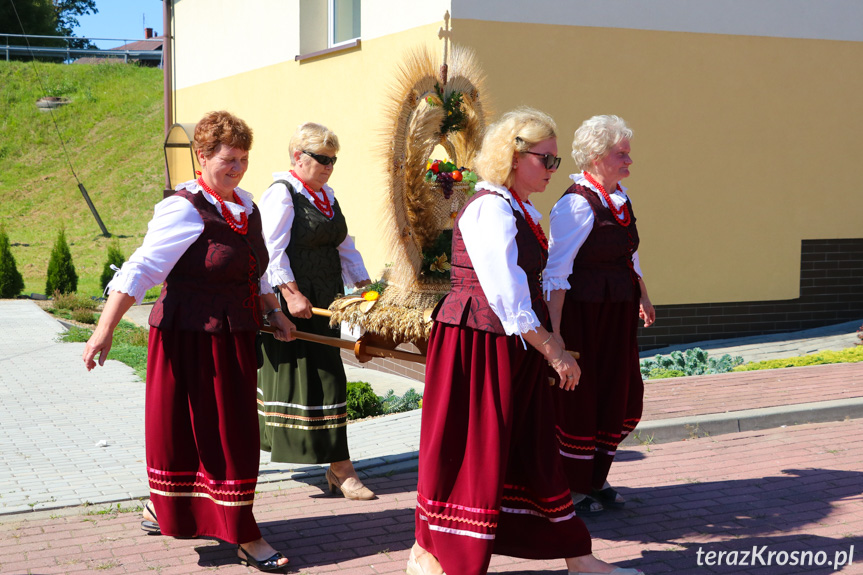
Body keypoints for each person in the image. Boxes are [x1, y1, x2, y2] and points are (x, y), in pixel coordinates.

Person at [409, 108, 642, 575]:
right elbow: (506, 295)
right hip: (479, 346)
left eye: (556, 161)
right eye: (546, 160)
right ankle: (429, 553)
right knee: (471, 449)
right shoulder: (490, 208)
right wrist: (554, 349)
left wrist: (548, 342)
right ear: (514, 157)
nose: (554, 170)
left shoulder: (519, 208)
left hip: (510, 346)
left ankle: (579, 557)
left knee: (534, 447)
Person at [82, 111, 294, 572]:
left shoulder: (247, 208)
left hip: (231, 339)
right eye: (227, 159)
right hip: (188, 340)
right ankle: (245, 535)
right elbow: (141, 269)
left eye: (243, 159)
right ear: (202, 157)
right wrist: (105, 328)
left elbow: (256, 270)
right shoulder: (183, 208)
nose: (236, 168)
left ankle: (166, 508)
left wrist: (273, 311)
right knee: (203, 434)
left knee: (226, 434)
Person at [256, 122, 374, 500]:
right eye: (321, 159)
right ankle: (341, 468)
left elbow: (345, 246)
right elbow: (269, 252)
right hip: (293, 304)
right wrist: (290, 295)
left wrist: (366, 289)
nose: (328, 166)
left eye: (332, 160)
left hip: (326, 301)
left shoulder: (327, 196)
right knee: (323, 379)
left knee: (330, 379)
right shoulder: (282, 194)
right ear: (298, 157)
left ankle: (339, 467)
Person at [545, 115, 655, 516]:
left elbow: (629, 252)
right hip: (584, 318)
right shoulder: (576, 203)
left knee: (619, 393)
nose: (629, 161)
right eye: (620, 154)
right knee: (583, 400)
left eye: (627, 153)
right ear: (595, 157)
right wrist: (555, 335)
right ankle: (574, 487)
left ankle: (595, 477)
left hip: (617, 313)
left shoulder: (619, 197)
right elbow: (556, 271)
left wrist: (643, 294)